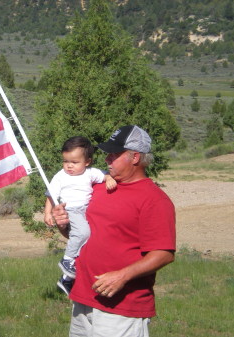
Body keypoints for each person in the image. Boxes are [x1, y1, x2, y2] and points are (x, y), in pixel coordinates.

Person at [52, 125, 176, 337]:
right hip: (83, 296)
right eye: (108, 154)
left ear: (135, 157)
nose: (107, 159)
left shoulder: (154, 200)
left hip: (121, 307)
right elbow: (81, 235)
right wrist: (63, 225)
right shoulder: (97, 188)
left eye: (114, 154)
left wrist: (122, 276)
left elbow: (164, 254)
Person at [44, 136, 117, 295]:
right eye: (65, 161)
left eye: (74, 162)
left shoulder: (91, 173)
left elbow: (105, 175)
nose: (69, 166)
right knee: (83, 233)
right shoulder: (61, 176)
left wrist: (109, 178)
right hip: (71, 209)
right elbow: (51, 194)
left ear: (87, 161)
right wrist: (47, 212)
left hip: (85, 210)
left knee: (87, 244)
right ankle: (67, 260)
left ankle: (66, 279)